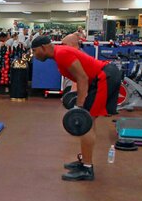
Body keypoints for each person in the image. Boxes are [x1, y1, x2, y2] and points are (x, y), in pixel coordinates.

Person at [31, 35, 121, 181]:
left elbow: (82, 78)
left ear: (44, 47)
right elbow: (80, 77)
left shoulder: (61, 53)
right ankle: (85, 162)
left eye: (35, 51)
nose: (34, 55)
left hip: (104, 77)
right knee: (88, 123)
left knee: (85, 123)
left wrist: (79, 107)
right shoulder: (58, 54)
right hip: (98, 79)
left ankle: (87, 169)